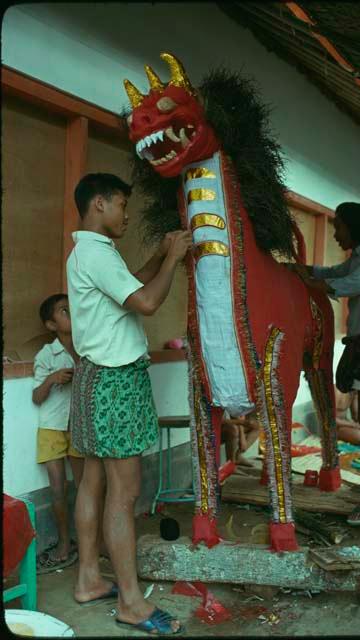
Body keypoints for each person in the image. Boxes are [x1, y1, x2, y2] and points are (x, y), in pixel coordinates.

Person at [67, 173, 191, 635]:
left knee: (94, 481)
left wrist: (157, 255)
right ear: (99, 203)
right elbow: (145, 302)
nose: (125, 214)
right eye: (121, 205)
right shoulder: (94, 252)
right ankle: (131, 603)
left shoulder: (94, 253)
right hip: (114, 383)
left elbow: (123, 292)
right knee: (125, 493)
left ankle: (87, 579)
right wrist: (173, 260)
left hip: (95, 378)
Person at [289, 202, 360, 526]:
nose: (336, 234)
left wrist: (310, 283)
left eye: (339, 227)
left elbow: (354, 283)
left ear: (354, 226)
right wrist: (310, 271)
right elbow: (340, 273)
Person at [32, 294, 84, 573]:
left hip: (77, 426)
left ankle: (91, 542)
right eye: (65, 311)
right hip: (51, 427)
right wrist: (52, 379)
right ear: (51, 325)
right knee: (57, 488)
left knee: (85, 486)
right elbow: (36, 397)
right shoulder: (46, 355)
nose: (72, 313)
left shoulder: (88, 348)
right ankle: (65, 541)